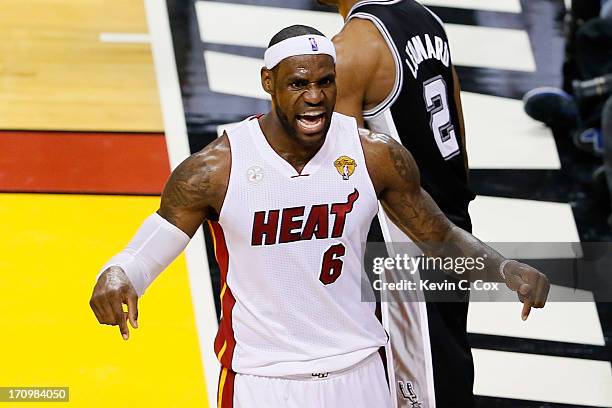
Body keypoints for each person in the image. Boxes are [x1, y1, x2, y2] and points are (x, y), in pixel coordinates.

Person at [89, 25, 549, 408]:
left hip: (361, 369)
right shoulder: (215, 170)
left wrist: (506, 268)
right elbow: (151, 247)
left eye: (325, 82)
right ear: (269, 83)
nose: (315, 97)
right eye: (298, 84)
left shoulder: (376, 156)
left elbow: (438, 234)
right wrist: (119, 273)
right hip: (264, 378)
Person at [317, 0, 476, 406]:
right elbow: (456, 123)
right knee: (448, 367)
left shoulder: (350, 49)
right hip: (452, 221)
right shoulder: (427, 18)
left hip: (403, 241)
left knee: (417, 387)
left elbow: (344, 178)